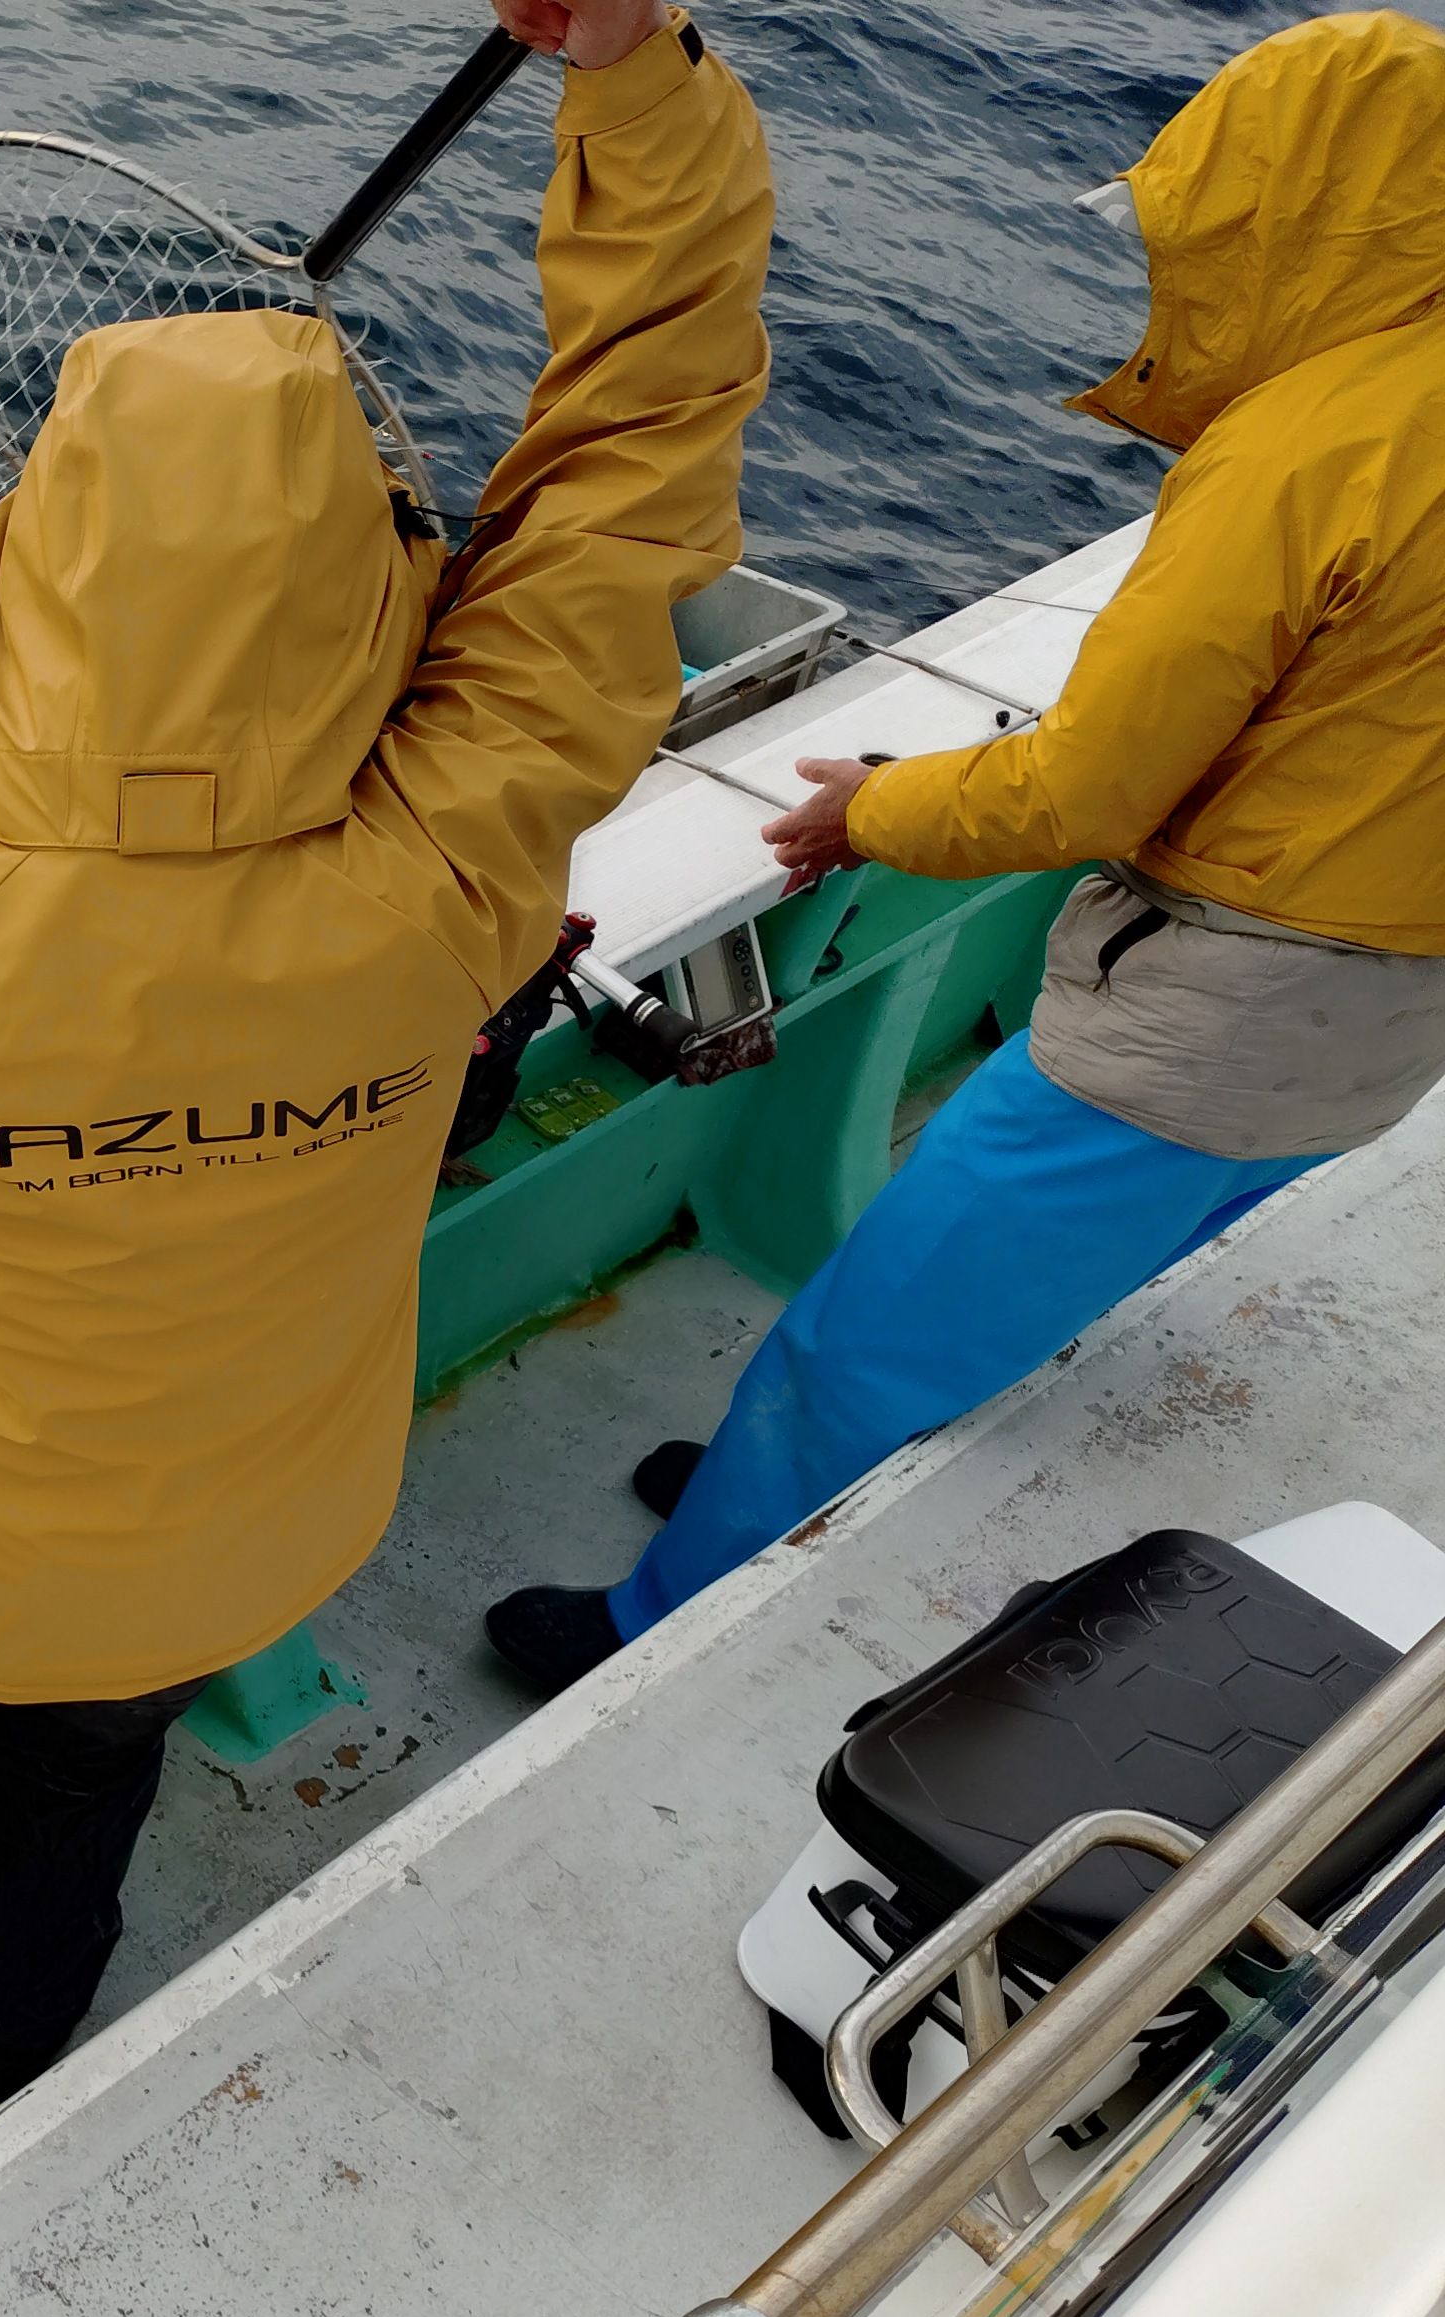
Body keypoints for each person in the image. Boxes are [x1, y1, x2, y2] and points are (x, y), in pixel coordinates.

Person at [0, 0, 772, 2122]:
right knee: (86, 1791)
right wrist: (635, 80)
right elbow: (636, 457)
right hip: (243, 1539)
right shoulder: (462, 851)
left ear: (38, 565)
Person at [487, 11, 1445, 1698]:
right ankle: (782, 1499)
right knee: (1091, 1284)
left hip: (1211, 1019)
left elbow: (1083, 791)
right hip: (1387, 1028)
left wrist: (870, 809)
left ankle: (655, 1627)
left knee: (870, 1340)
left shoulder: (1312, 447)